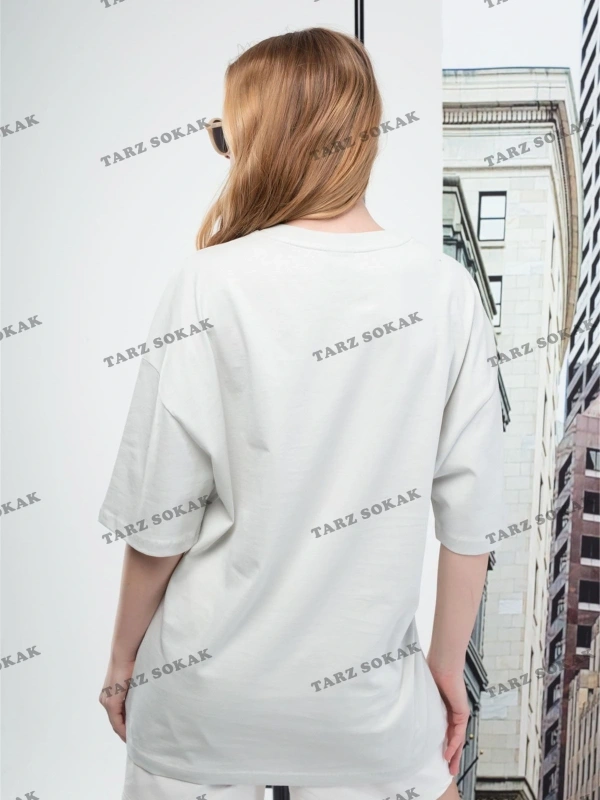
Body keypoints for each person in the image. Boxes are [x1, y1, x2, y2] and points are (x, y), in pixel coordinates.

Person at [98, 26, 507, 800]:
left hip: (201, 709)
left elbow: (160, 520)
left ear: (264, 141)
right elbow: (472, 525)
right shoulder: (448, 294)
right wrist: (444, 676)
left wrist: (122, 664)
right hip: (370, 717)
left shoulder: (208, 284)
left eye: (227, 136)